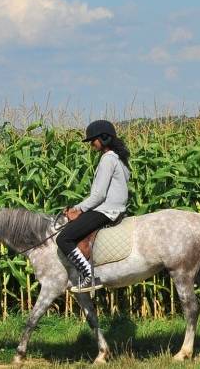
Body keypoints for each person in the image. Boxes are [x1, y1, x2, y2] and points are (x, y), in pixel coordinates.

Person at [57, 120, 131, 293]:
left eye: (93, 139)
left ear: (104, 138)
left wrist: (78, 209)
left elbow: (99, 195)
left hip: (106, 210)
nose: (91, 143)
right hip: (115, 209)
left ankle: (88, 274)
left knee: (63, 238)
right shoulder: (119, 159)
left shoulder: (107, 159)